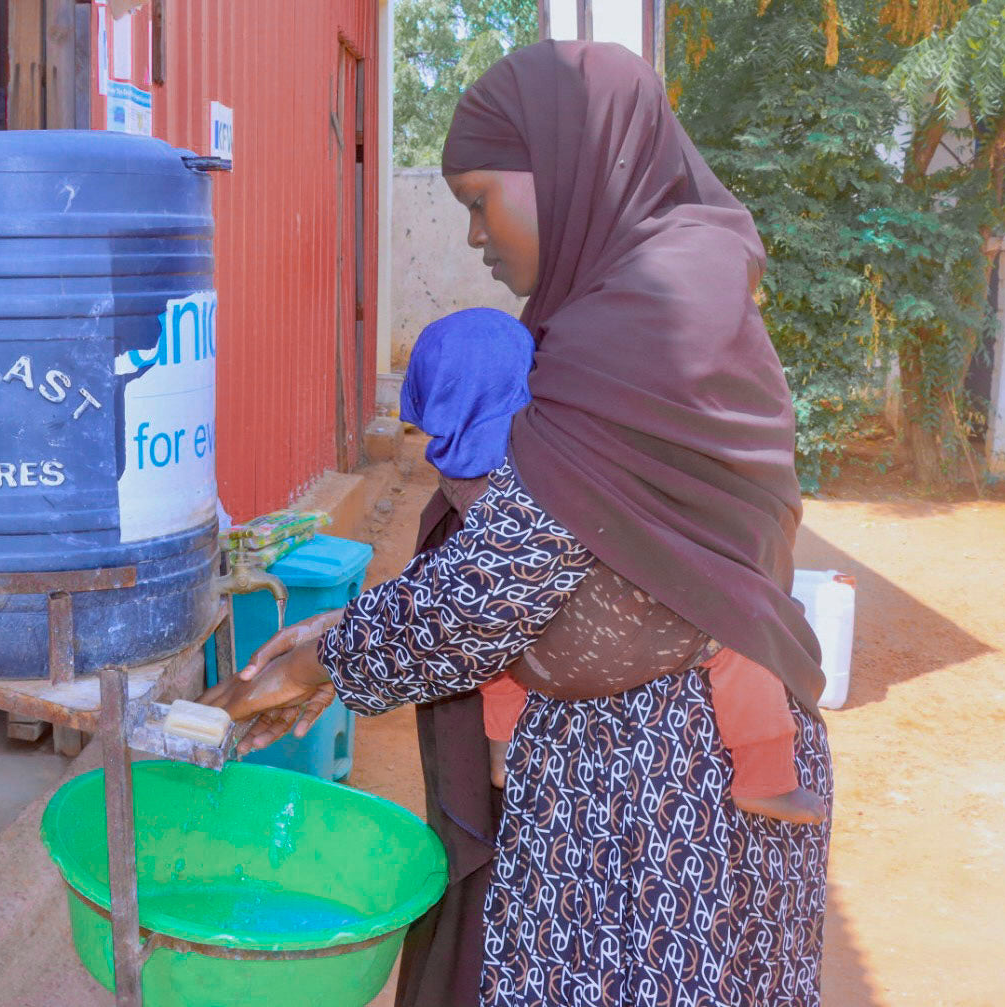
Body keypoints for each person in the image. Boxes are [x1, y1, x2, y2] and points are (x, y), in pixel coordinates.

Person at [205, 41, 832, 1006]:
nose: (472, 237)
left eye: (478, 199)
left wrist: (318, 661)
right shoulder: (656, 309)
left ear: (572, 170)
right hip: (649, 781)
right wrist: (341, 644)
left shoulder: (640, 332)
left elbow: (494, 589)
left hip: (657, 803)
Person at [403, 306, 825, 825]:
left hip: (527, 645)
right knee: (744, 627)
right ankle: (765, 778)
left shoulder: (454, 473)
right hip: (617, 630)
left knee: (496, 661)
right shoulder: (553, 447)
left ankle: (502, 754)